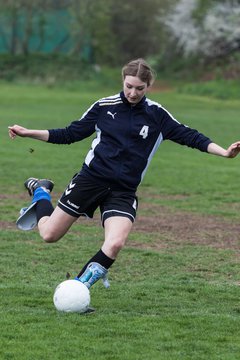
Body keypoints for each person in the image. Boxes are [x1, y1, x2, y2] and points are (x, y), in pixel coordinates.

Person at [8, 58, 240, 290]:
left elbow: (192, 137)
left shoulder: (157, 115)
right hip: (90, 181)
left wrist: (225, 153)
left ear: (148, 86)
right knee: (49, 235)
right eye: (129, 86)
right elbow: (69, 134)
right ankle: (40, 191)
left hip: (123, 191)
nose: (132, 93)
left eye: (139, 88)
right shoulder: (104, 106)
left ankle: (78, 289)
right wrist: (28, 133)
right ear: (123, 81)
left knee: (115, 243)